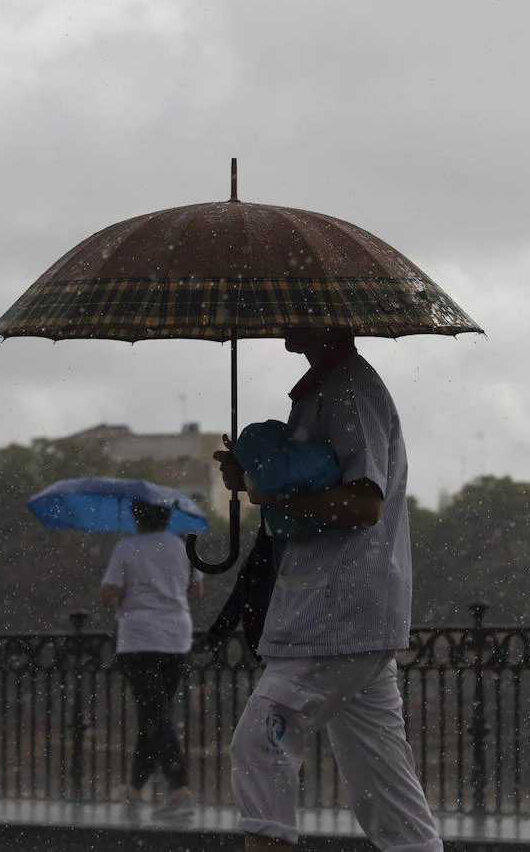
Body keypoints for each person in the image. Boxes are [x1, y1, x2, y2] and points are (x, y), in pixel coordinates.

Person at [215, 326, 442, 852]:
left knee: (260, 746)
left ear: (326, 316)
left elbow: (364, 504)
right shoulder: (328, 388)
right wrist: (252, 479)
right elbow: (311, 484)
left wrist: (268, 493)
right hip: (344, 613)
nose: (283, 317)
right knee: (385, 789)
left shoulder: (349, 390)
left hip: (337, 611)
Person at [99, 499, 203, 817]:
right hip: (176, 637)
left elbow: (108, 593)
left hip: (140, 638)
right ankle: (134, 789)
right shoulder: (183, 546)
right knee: (155, 715)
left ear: (135, 517)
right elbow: (196, 593)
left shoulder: (127, 548)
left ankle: (180, 789)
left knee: (156, 716)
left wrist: (130, 594)